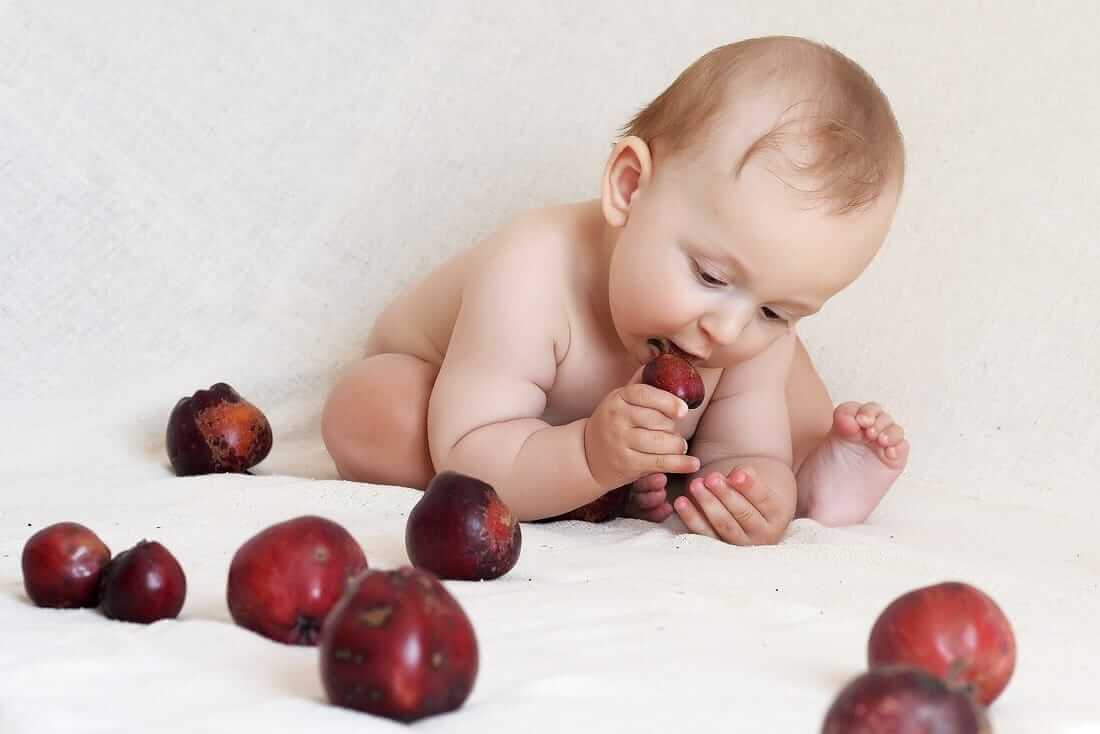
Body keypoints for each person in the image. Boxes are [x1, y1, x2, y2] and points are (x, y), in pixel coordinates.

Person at [321, 35, 910, 545]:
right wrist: (586, 456)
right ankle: (586, 482)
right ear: (629, 190)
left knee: (786, 380)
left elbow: (745, 450)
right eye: (709, 276)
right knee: (374, 411)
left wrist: (754, 491)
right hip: (459, 406)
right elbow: (467, 453)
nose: (727, 328)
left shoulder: (735, 323)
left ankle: (819, 483)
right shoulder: (530, 269)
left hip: (614, 438)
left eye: (777, 310)